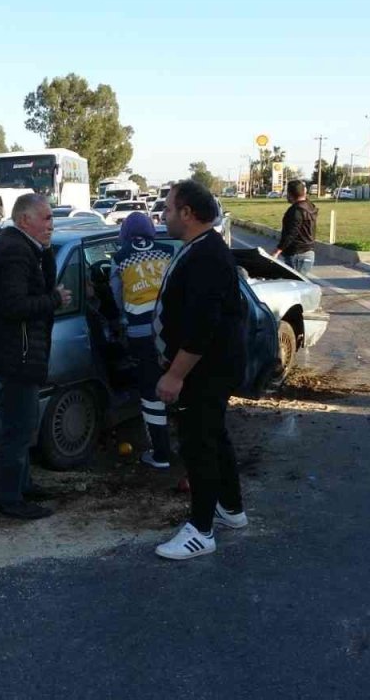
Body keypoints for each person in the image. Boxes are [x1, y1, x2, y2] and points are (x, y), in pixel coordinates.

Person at [152, 180, 248, 560]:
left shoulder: (207, 256)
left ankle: (201, 529)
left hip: (203, 373)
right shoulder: (201, 248)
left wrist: (175, 374)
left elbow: (201, 329)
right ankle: (231, 509)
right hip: (209, 370)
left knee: (199, 445)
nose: (164, 215)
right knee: (215, 436)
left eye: (169, 209)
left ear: (188, 213)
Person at [0, 193, 72, 520]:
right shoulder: (15, 251)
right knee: (19, 427)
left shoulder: (23, 247)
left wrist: (44, 254)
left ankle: (22, 484)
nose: (51, 225)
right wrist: (54, 299)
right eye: (45, 219)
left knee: (22, 422)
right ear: (23, 220)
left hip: (14, 349)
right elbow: (14, 306)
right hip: (16, 352)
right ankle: (9, 499)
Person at [109, 211, 175, 470]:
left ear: (124, 234)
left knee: (151, 393)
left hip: (140, 335)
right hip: (172, 334)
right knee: (180, 385)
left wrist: (122, 318)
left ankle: (161, 454)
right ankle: (188, 447)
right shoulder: (168, 251)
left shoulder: (119, 257)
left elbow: (116, 296)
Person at [273, 179, 317, 274]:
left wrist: (277, 252)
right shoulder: (310, 206)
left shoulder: (296, 211)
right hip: (308, 252)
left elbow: (291, 234)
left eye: (287, 192)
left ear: (290, 194)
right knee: (299, 284)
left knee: (294, 285)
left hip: (297, 255)